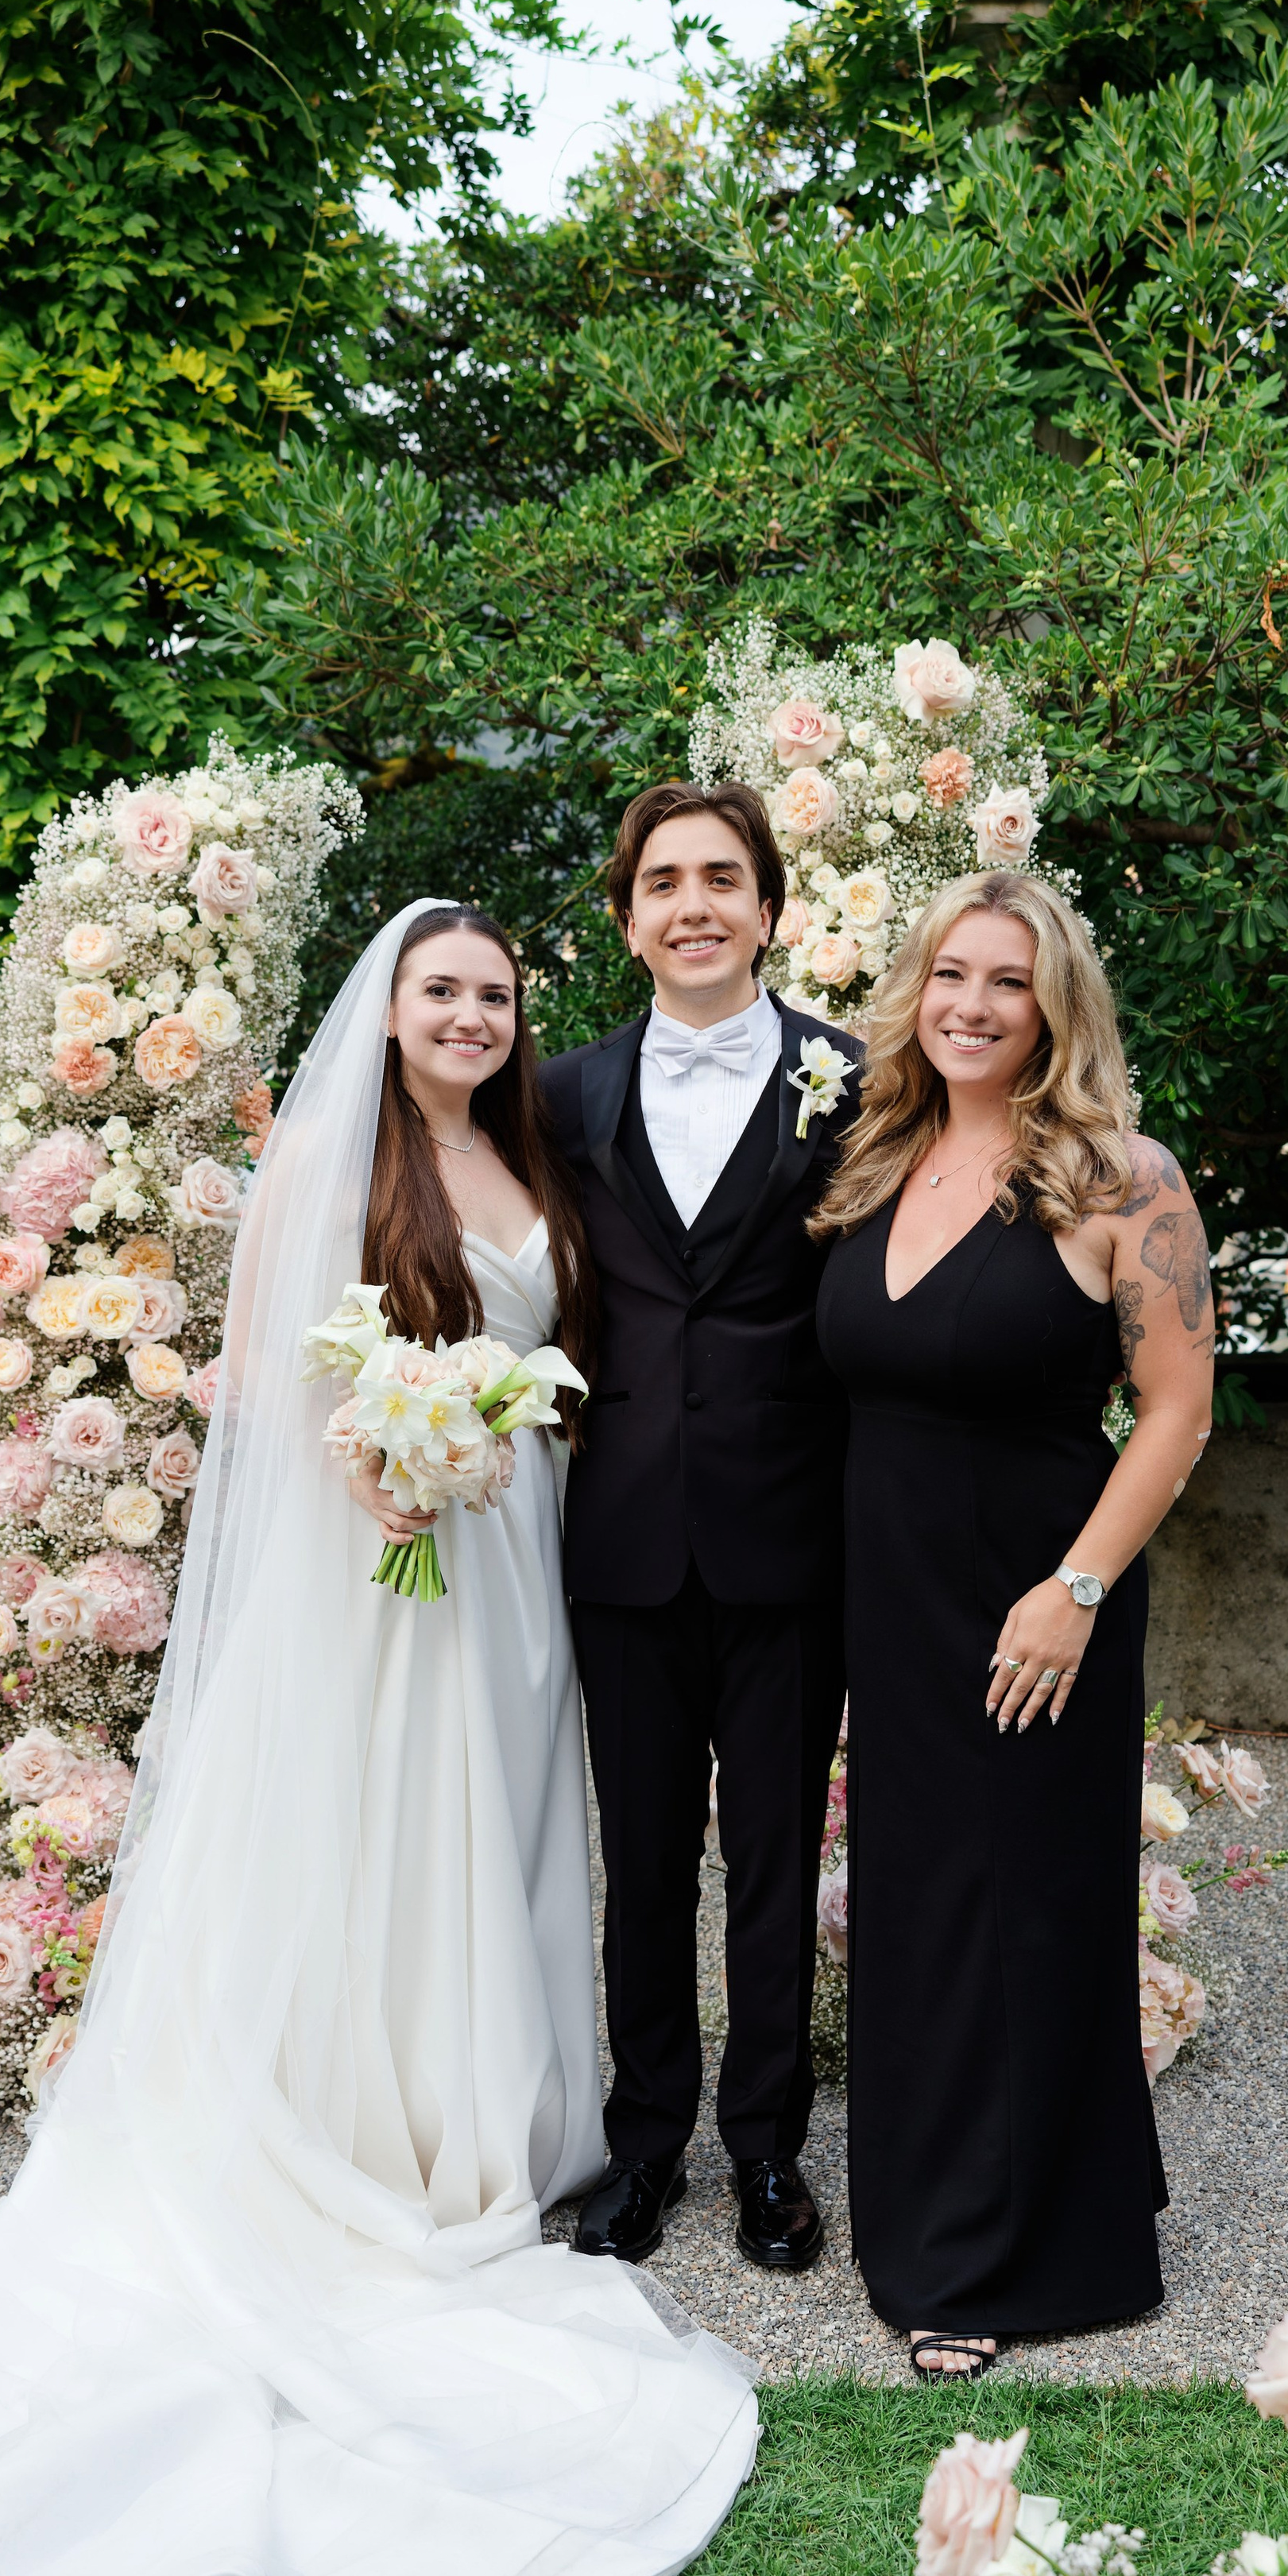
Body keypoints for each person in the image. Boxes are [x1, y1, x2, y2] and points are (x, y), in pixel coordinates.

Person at [0, 900, 760, 2576]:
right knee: (376, 1840)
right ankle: (367, 2136)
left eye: (492, 993)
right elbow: (265, 1389)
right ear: (390, 1013)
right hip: (378, 1572)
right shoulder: (341, 1157)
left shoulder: (537, 1157)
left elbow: (574, 1372)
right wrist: (386, 1458)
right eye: (439, 992)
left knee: (497, 1835)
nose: (469, 1016)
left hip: (512, 1568)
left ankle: (481, 2121)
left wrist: (480, 1450)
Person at [810, 870, 1213, 2377]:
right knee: (920, 1912)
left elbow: (1177, 1414)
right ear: (917, 991)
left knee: (1025, 1912)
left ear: (1058, 1009)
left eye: (1010, 982)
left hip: (1040, 1600)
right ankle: (936, 2210)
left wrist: (1078, 1591)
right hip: (889, 1602)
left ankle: (1010, 2256)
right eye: (952, 975)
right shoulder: (875, 1156)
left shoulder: (1123, 1176)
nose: (974, 1004)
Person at [542, 784, 861, 2277]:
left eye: (722, 878)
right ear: (626, 918)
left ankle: (770, 2147)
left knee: (776, 1858)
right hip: (616, 1541)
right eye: (663, 880)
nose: (693, 905)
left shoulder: (858, 1083)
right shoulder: (563, 1095)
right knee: (648, 1851)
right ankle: (647, 2136)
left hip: (795, 1540)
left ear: (770, 909)